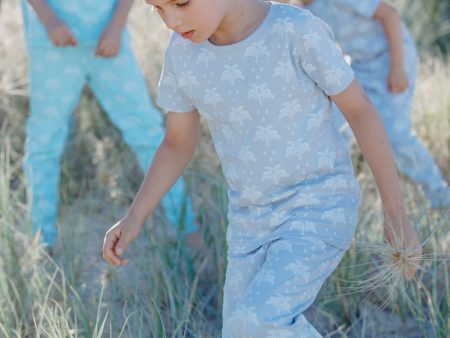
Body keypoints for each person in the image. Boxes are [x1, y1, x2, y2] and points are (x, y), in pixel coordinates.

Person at [102, 1, 421, 336]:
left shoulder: (295, 31)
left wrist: (395, 213)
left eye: (181, 2)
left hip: (318, 208)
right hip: (248, 225)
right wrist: (135, 215)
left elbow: (361, 113)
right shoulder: (183, 55)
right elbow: (176, 144)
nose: (171, 20)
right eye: (158, 9)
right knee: (240, 331)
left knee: (259, 321)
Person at [21, 0, 203, 249]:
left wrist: (116, 25)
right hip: (53, 42)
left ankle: (187, 230)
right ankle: (41, 241)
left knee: (147, 132)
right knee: (44, 142)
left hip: (108, 39)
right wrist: (48, 19)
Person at [283, 0, 450, 210]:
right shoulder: (304, 13)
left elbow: (390, 15)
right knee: (335, 126)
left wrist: (397, 68)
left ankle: (440, 195)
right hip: (360, 67)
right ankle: (334, 201)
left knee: (396, 136)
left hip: (390, 58)